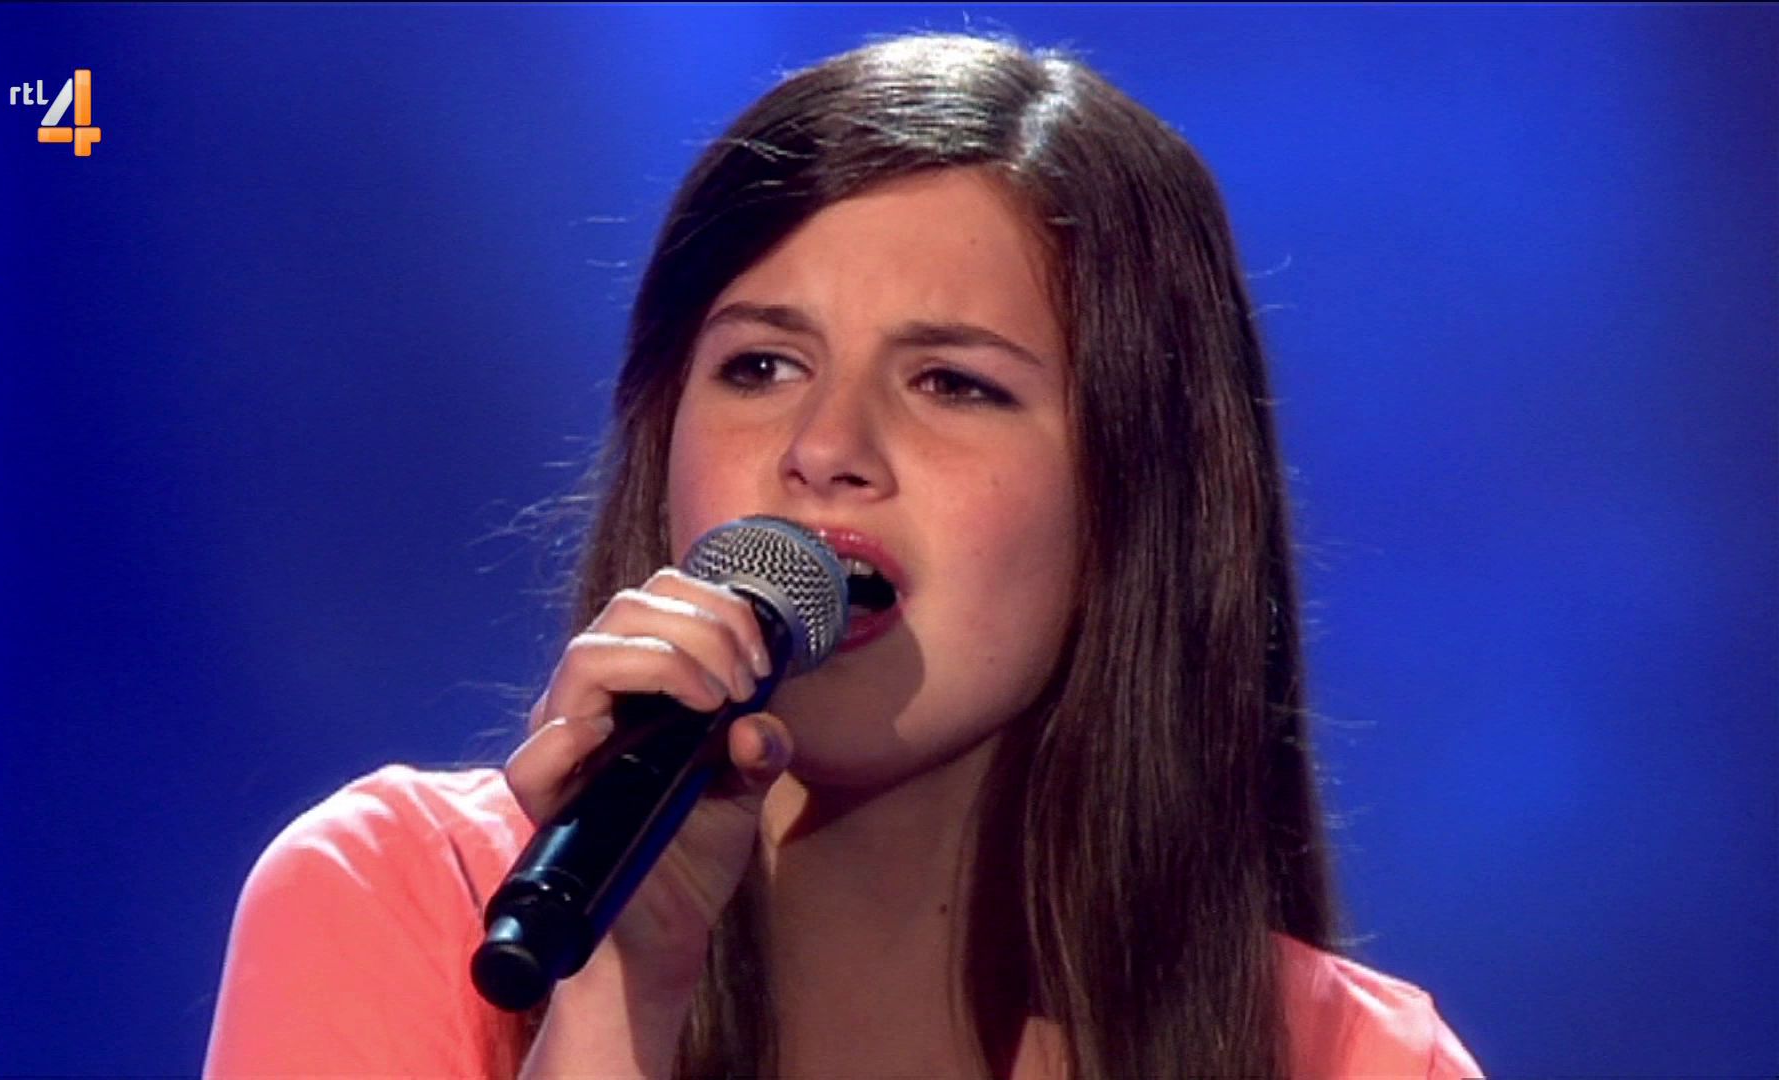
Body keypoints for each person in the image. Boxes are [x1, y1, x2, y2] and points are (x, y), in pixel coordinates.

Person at [204, 31, 1483, 1079]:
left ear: (1135, 498)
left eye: (952, 383)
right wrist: (610, 1009)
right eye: (761, 367)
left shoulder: (1356, 1061)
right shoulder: (402, 906)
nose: (824, 449)